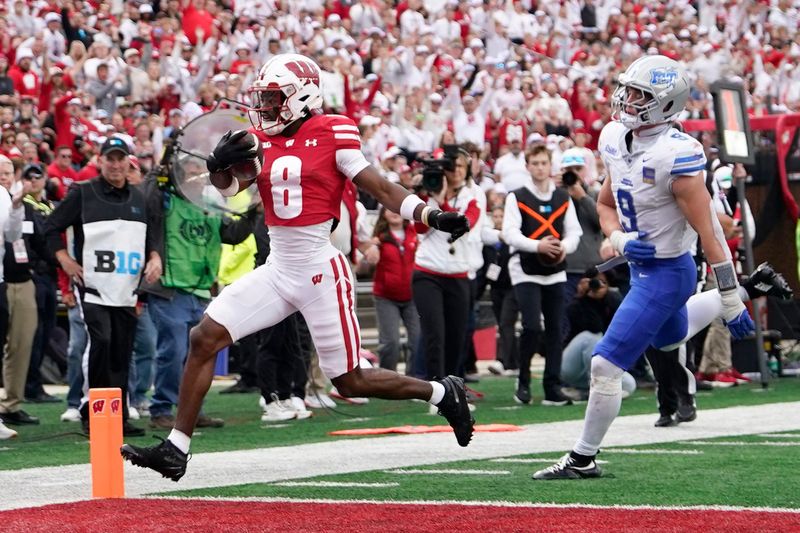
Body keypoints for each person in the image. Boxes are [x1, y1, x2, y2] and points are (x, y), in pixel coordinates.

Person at [121, 54, 474, 481]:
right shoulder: (258, 138)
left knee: (350, 381)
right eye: (264, 98)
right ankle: (176, 449)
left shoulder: (333, 130)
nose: (266, 107)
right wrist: (217, 167)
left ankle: (441, 391)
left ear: (303, 97)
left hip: (319, 271)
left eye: (274, 98)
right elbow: (231, 190)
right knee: (204, 338)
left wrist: (431, 216)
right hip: (278, 267)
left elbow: (378, 185)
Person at [531, 56, 780, 480]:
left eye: (640, 95)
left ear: (665, 105)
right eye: (627, 90)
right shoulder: (614, 136)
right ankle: (750, 289)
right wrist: (620, 239)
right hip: (642, 268)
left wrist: (726, 294)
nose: (627, 99)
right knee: (670, 337)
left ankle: (583, 457)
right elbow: (607, 204)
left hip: (669, 272)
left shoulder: (677, 155)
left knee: (605, 364)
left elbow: (712, 234)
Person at [45, 137, 163, 437]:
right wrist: (65, 260)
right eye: (110, 158)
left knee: (122, 351)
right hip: (94, 287)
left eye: (120, 158)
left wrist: (154, 257)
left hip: (126, 289)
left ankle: (118, 416)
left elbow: (150, 234)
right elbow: (50, 227)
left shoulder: (139, 197)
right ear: (100, 161)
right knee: (103, 342)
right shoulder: (83, 192)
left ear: (129, 161)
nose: (115, 164)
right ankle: (93, 414)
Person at [502, 144, 582, 406]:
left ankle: (552, 386)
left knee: (556, 328)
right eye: (534, 163)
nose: (539, 167)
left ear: (551, 166)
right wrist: (538, 246)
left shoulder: (563, 197)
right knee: (532, 326)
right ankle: (523, 380)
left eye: (543, 163)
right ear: (527, 166)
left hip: (555, 270)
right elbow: (511, 233)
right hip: (525, 268)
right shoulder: (517, 197)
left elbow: (574, 233)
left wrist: (562, 249)